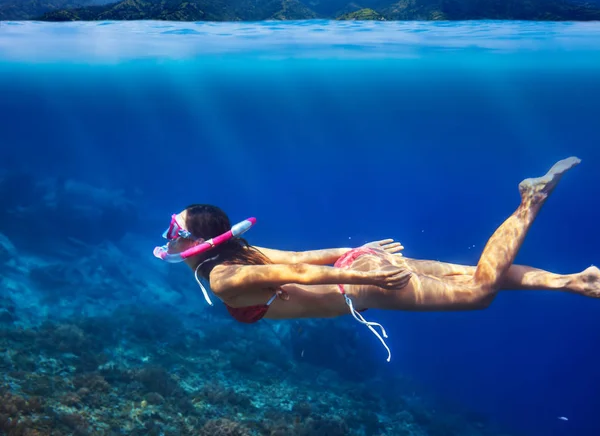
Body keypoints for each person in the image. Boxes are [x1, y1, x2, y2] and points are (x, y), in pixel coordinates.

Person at [153, 157, 599, 360]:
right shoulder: (242, 252)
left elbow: (302, 272)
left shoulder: (224, 280)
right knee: (475, 275)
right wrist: (355, 252)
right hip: (358, 270)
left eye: (176, 232)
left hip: (362, 285)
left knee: (479, 291)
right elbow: (302, 257)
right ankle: (577, 282)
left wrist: (369, 276)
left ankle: (530, 200)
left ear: (198, 242)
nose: (169, 238)